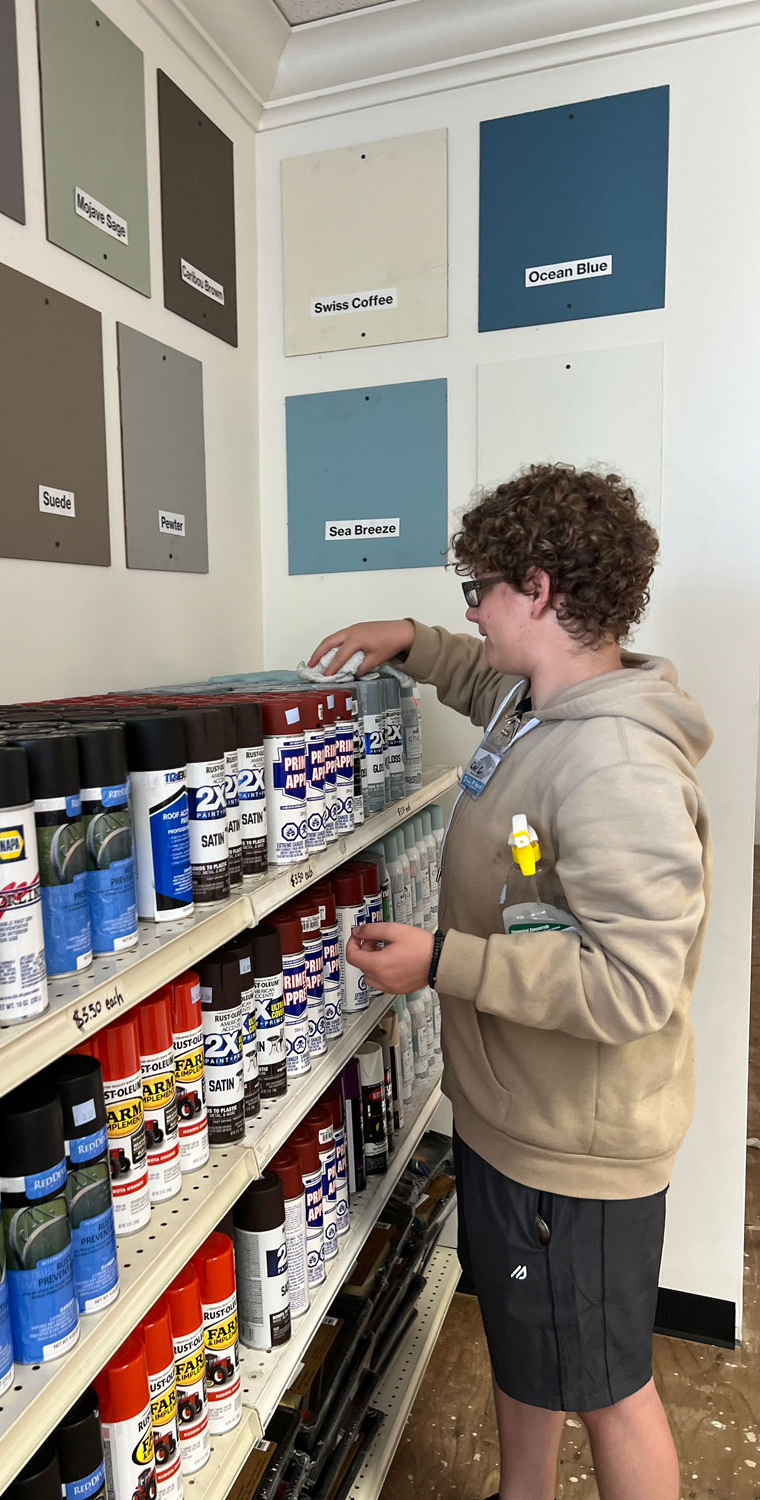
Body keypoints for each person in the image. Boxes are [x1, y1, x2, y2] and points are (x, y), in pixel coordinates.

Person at [310, 463, 711, 1500]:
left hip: (573, 1153)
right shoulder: (538, 704)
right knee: (530, 1349)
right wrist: (409, 636)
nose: (472, 614)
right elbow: (481, 677)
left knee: (609, 1383)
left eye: (476, 592)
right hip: (514, 1119)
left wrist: (445, 961)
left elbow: (633, 984)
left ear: (535, 589)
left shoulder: (615, 762)